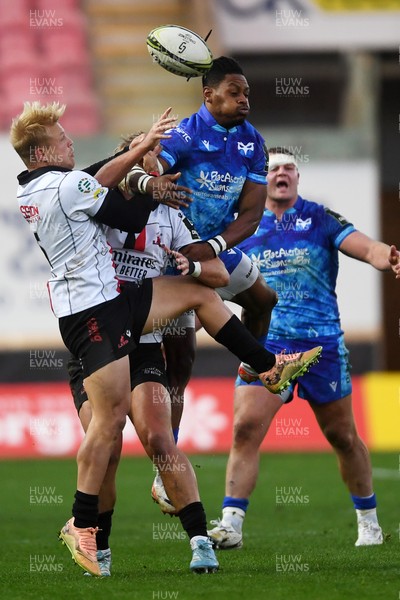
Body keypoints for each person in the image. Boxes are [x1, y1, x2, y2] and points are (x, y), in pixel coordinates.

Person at [11, 103, 322, 577]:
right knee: (109, 432)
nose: (70, 142)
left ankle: (268, 367)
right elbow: (113, 194)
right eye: (61, 138)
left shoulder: (68, 190)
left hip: (126, 309)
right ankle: (86, 525)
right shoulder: (79, 189)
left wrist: (192, 260)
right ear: (40, 152)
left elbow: (210, 272)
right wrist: (142, 168)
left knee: (161, 424)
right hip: (93, 315)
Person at [208, 147, 400, 550]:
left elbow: (366, 248)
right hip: (266, 345)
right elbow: (216, 269)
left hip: (322, 346)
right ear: (263, 178)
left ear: (297, 177)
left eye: (289, 168)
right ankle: (231, 525)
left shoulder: (321, 218)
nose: (282, 174)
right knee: (245, 429)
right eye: (274, 168)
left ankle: (368, 522)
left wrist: (389, 256)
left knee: (343, 436)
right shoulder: (243, 225)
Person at [67, 132, 229, 576]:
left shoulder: (172, 214)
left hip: (143, 344)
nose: (153, 163)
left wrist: (191, 265)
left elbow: (214, 272)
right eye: (142, 155)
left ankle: (200, 541)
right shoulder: (90, 206)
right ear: (127, 162)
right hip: (95, 343)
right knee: (109, 444)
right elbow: (89, 181)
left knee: (159, 438)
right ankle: (99, 546)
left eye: (156, 155)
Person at [127, 56, 280, 511]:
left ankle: (252, 369)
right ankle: (164, 469)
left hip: (212, 248)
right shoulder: (185, 136)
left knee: (263, 300)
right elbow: (152, 170)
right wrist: (149, 173)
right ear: (208, 95)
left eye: (246, 92)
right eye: (234, 92)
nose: (244, 100)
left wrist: (213, 245)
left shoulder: (254, 144)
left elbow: (251, 215)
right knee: (181, 359)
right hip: (173, 254)